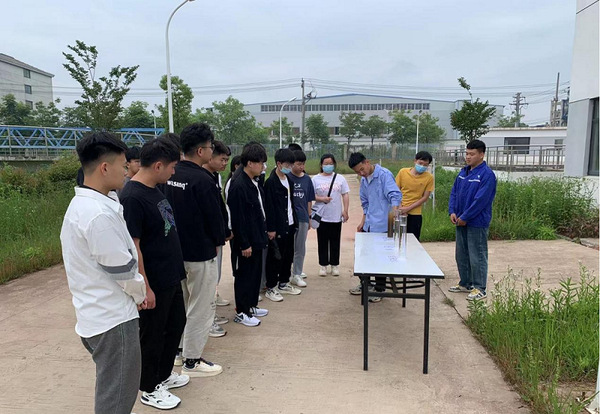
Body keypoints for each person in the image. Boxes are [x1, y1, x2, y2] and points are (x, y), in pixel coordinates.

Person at [60, 132, 147, 414]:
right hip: (113, 321)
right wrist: (141, 294)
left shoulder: (84, 206)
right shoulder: (97, 215)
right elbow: (123, 271)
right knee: (116, 400)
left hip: (96, 316)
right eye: (124, 165)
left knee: (112, 391)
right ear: (105, 168)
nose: (127, 171)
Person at [120, 137, 188, 410]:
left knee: (176, 325)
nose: (174, 172)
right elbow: (134, 247)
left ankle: (163, 374)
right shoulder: (132, 197)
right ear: (158, 165)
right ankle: (148, 387)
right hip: (154, 280)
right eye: (172, 167)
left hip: (171, 275)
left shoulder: (155, 189)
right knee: (153, 334)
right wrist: (144, 287)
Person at [162, 123, 224, 378]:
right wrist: (220, 239)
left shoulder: (170, 175)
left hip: (177, 252)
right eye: (210, 147)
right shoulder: (203, 179)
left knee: (184, 304)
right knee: (201, 306)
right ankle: (192, 360)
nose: (211, 151)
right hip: (200, 253)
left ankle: (179, 351)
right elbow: (215, 219)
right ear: (200, 151)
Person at [348, 152, 402, 301]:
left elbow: (395, 196)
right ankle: (365, 284)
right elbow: (365, 202)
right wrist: (363, 221)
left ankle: (379, 289)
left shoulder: (384, 175)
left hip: (383, 224)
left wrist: (394, 215)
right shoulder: (364, 180)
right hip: (370, 224)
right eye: (357, 172)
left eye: (361, 169)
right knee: (363, 256)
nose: (361, 173)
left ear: (367, 162)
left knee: (380, 258)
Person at [448, 139, 497, 301]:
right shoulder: (463, 172)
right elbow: (454, 193)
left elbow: (481, 200)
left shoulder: (486, 175)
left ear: (482, 154)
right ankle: (466, 283)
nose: (468, 157)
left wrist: (466, 217)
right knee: (461, 254)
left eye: (472, 154)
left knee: (477, 255)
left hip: (476, 222)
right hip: (460, 220)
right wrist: (452, 211)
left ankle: (479, 287)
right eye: (467, 154)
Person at [227, 143, 270, 326]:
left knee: (254, 274)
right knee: (244, 276)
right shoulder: (239, 184)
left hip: (257, 236)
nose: (263, 167)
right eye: (261, 163)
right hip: (246, 241)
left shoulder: (253, 181)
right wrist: (244, 243)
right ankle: (242, 311)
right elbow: (238, 218)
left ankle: (251, 305)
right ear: (250, 163)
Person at [202, 140, 233, 337]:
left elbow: (219, 207)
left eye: (227, 160)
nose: (224, 164)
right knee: (206, 283)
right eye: (222, 159)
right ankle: (207, 321)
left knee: (214, 277)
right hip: (207, 241)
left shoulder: (214, 177)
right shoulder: (202, 179)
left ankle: (211, 314)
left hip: (216, 237)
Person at [263, 148, 302, 301]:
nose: (289, 168)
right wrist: (271, 228)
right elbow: (269, 207)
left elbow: (291, 203)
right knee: (275, 258)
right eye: (287, 165)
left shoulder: (289, 180)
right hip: (278, 227)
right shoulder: (271, 183)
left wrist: (295, 221)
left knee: (288, 256)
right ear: (279, 164)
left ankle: (283, 283)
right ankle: (271, 287)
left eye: (291, 165)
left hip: (290, 224)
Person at [311, 153, 350, 277]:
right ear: (321, 165)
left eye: (330, 163)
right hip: (321, 216)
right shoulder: (315, 179)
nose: (328, 166)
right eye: (326, 163)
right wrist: (322, 199)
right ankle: (323, 265)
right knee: (322, 241)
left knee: (335, 241)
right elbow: (311, 195)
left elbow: (345, 194)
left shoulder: (340, 178)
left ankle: (334, 265)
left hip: (336, 216)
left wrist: (345, 210)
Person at [287, 150, 315, 286]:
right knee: (288, 247)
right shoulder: (287, 178)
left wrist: (309, 217)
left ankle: (297, 274)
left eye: (303, 164)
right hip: (289, 219)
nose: (301, 167)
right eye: (299, 164)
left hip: (303, 218)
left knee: (300, 248)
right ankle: (286, 273)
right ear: (292, 164)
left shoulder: (307, 179)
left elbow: (309, 200)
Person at [394, 151, 434, 241]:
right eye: (420, 163)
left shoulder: (429, 178)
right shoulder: (403, 172)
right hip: (399, 211)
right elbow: (396, 191)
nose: (422, 166)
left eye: (425, 165)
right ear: (415, 161)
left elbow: (425, 197)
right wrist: (400, 208)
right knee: (398, 239)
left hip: (415, 213)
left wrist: (408, 209)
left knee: (413, 241)